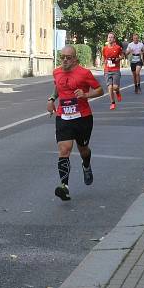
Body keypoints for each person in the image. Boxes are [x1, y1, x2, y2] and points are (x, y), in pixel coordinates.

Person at [46, 45, 104, 201]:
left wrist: (86, 94)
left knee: (83, 149)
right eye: (62, 57)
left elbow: (99, 90)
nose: (65, 60)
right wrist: (51, 99)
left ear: (75, 59)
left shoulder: (84, 73)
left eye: (68, 57)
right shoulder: (56, 72)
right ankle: (64, 186)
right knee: (65, 149)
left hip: (82, 117)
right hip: (63, 116)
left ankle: (86, 164)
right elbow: (57, 87)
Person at [102, 32, 124, 110]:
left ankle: (117, 92)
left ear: (114, 39)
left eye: (111, 37)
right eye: (109, 37)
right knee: (110, 87)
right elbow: (104, 57)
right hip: (107, 69)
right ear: (107, 39)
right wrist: (104, 62)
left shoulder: (117, 47)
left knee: (115, 87)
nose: (110, 39)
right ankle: (112, 103)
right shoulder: (105, 48)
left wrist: (118, 58)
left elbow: (122, 55)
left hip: (116, 70)